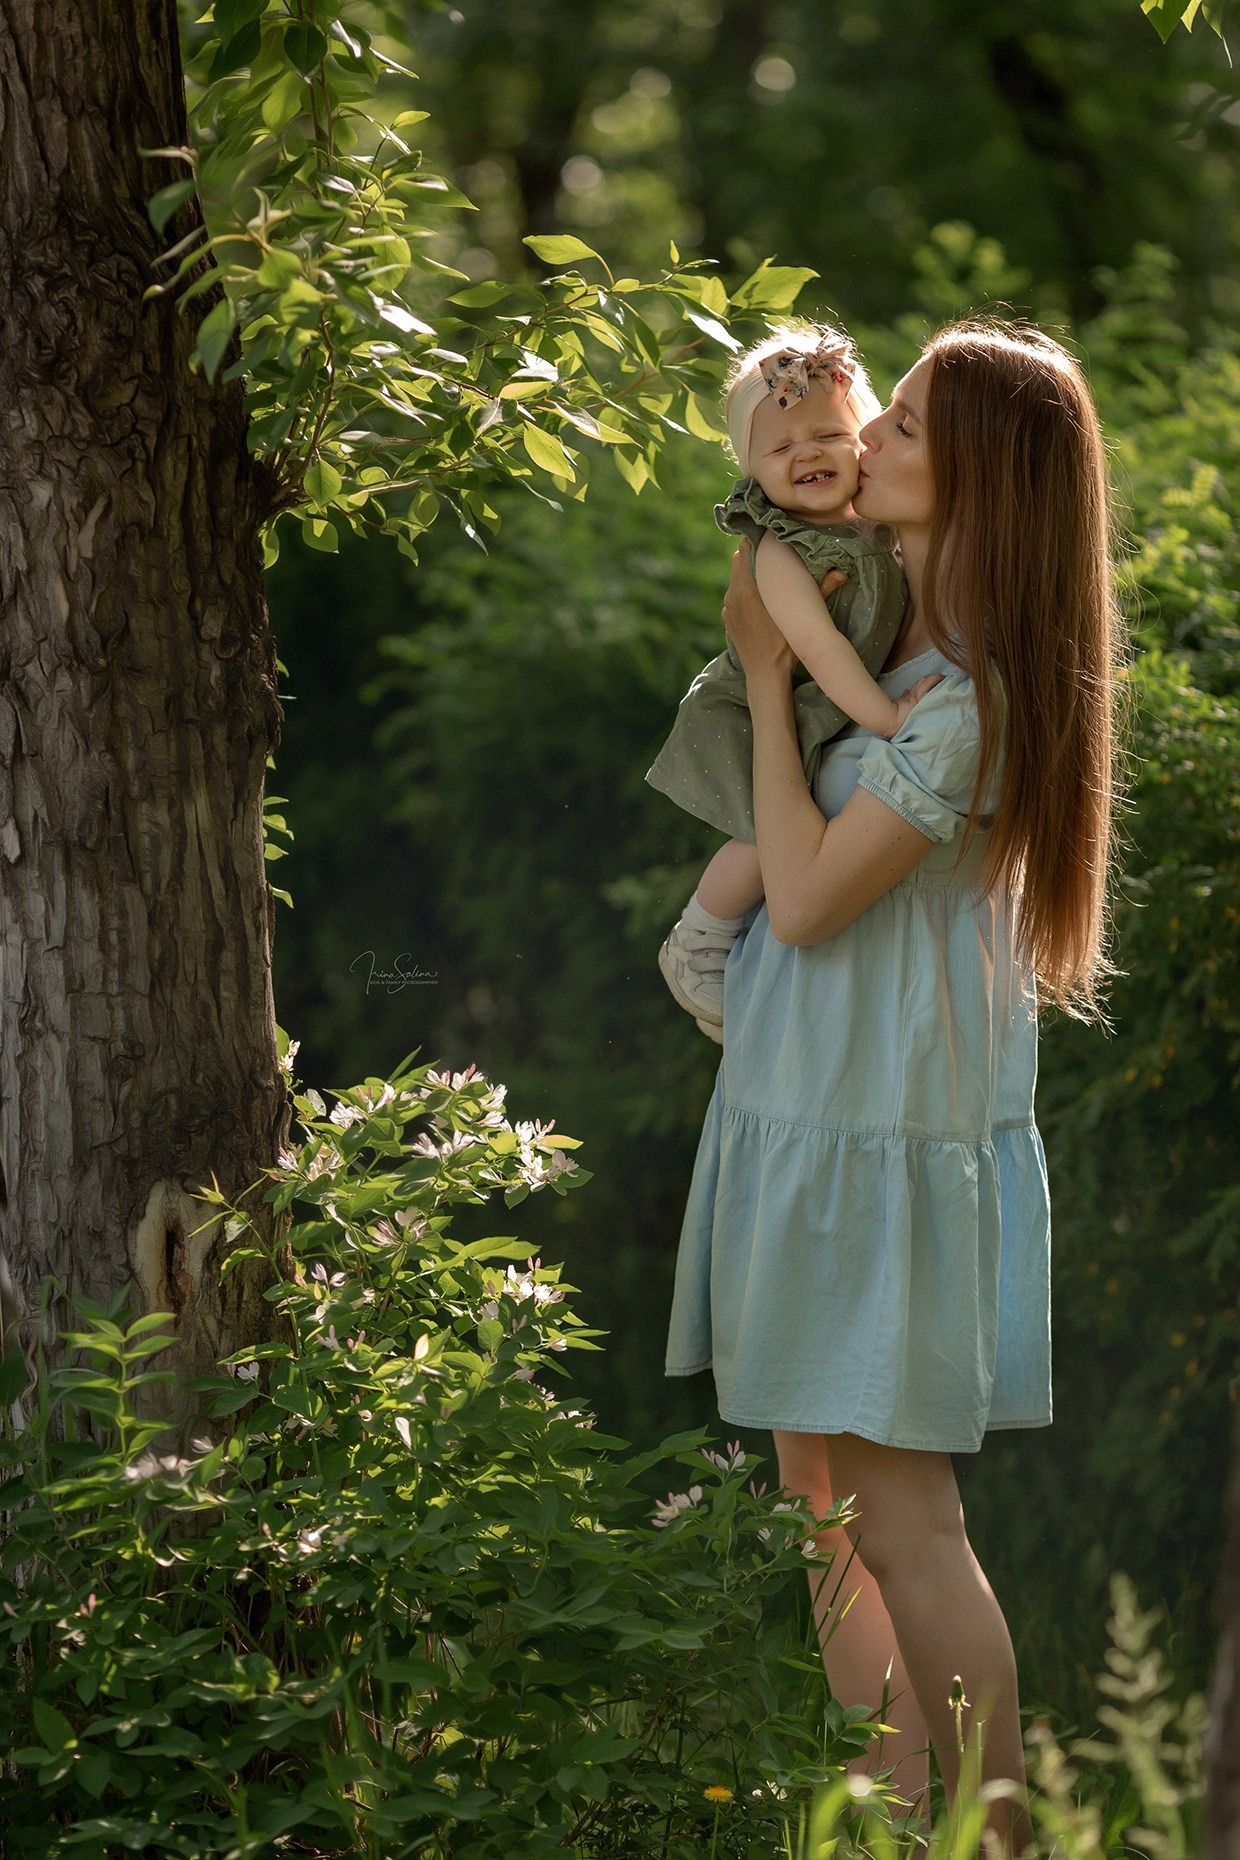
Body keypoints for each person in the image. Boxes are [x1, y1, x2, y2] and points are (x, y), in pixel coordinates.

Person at [663, 319, 1123, 1845]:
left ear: (981, 478)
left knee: (908, 1521)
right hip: (807, 1118)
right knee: (824, 1505)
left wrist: (764, 672)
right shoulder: (892, 650)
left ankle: (999, 1839)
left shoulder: (970, 698)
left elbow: (802, 899)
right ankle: (897, 1823)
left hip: (883, 1140)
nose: (868, 441)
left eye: (908, 426)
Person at [646, 323, 936, 1042]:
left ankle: (739, 952)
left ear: (862, 441)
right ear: (750, 469)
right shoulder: (780, 550)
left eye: (828, 435)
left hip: (824, 700)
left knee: (792, 826)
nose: (806, 453)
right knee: (761, 833)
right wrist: (889, 718)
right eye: (780, 449)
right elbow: (819, 648)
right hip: (773, 700)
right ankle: (698, 938)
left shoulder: (874, 525)